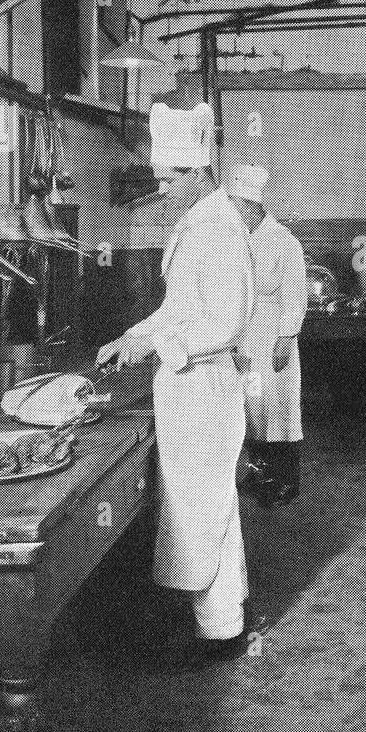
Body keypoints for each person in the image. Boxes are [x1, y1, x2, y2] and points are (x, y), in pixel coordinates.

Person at [96, 100, 257, 663]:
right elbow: (178, 308)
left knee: (203, 507)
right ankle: (221, 619)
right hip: (188, 386)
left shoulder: (219, 229)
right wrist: (132, 336)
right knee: (205, 506)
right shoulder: (198, 223)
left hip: (205, 387)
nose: (162, 191)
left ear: (198, 173)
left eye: (169, 180)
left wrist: (158, 345)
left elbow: (225, 322)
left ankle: (220, 632)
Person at [227, 165, 306, 508]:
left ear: (253, 206)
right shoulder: (234, 240)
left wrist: (287, 338)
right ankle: (260, 477)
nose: (236, 212)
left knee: (280, 408)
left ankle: (286, 481)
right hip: (244, 334)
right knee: (252, 409)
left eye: (239, 206)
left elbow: (295, 293)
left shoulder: (284, 241)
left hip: (273, 332)